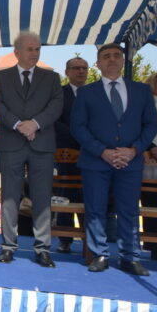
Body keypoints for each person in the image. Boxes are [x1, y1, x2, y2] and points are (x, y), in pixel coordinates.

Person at [72, 43, 157, 276]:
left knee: (129, 210)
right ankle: (99, 254)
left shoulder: (142, 91)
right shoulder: (86, 92)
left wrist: (134, 150)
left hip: (131, 161)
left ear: (123, 61)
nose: (112, 59)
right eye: (106, 56)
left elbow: (150, 125)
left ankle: (130, 257)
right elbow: (78, 127)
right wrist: (103, 152)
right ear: (98, 63)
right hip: (96, 161)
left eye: (116, 55)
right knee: (95, 208)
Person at [0, 32, 62, 267]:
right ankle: (8, 246)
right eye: (30, 49)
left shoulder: (52, 78)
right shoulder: (1, 77)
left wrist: (35, 124)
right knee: (10, 196)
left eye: (38, 49)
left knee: (42, 196)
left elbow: (56, 105)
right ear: (16, 52)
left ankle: (42, 248)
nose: (35, 53)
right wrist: (19, 124)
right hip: (12, 143)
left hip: (42, 143)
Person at [54, 56, 90, 253]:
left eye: (84, 68)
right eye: (76, 68)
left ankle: (89, 239)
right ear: (67, 72)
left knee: (89, 197)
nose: (81, 71)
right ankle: (65, 239)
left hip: (91, 153)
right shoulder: (59, 94)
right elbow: (54, 121)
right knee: (65, 196)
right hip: (66, 154)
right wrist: (78, 135)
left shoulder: (95, 93)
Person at [143, 71, 157, 262]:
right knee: (152, 203)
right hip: (151, 158)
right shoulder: (145, 104)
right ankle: (154, 246)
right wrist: (152, 147)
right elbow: (140, 129)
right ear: (153, 84)